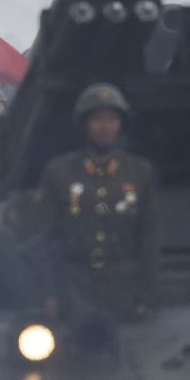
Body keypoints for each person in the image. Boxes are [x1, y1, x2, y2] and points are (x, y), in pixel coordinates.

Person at [36, 83, 156, 319]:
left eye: (112, 119)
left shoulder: (139, 172)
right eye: (97, 119)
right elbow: (44, 237)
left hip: (124, 290)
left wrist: (146, 296)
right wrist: (48, 293)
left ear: (121, 125)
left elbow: (149, 236)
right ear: (84, 125)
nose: (105, 126)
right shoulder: (59, 172)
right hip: (73, 288)